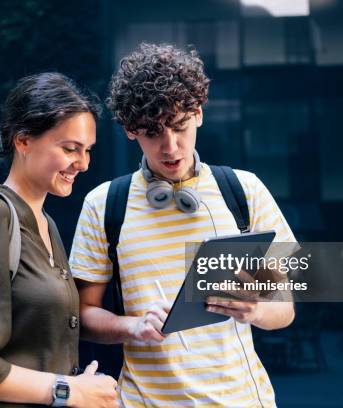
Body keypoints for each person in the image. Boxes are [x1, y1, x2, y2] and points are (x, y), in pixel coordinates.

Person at [69, 44, 297, 407]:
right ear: (130, 130)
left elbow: (285, 310)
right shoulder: (103, 204)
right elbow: (84, 315)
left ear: (199, 114)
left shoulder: (245, 191)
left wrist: (256, 310)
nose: (170, 147)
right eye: (152, 132)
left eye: (179, 126)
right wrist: (134, 326)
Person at [0, 73, 119, 408]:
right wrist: (70, 391)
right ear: (23, 140)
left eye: (88, 151)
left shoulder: (48, 225)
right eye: (70, 148)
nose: (83, 163)